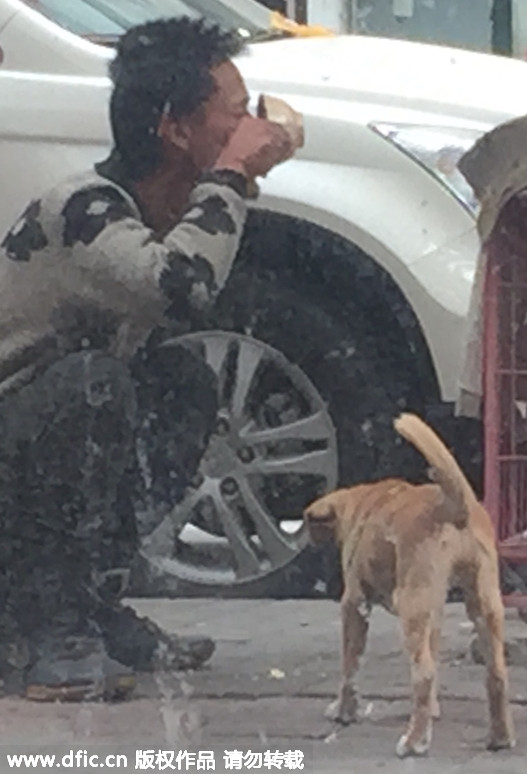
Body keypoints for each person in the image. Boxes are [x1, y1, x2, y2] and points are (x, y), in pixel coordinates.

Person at [0, 17, 294, 701]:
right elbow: (184, 287)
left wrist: (226, 183)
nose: (250, 126)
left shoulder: (164, 212)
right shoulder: (83, 209)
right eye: (234, 112)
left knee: (181, 384)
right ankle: (50, 629)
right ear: (175, 128)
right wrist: (229, 175)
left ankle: (89, 602)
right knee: (91, 386)